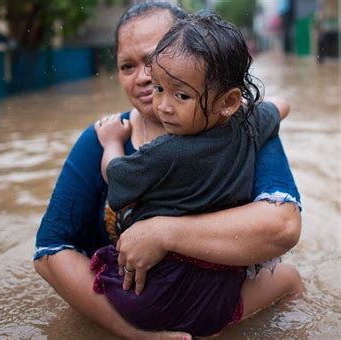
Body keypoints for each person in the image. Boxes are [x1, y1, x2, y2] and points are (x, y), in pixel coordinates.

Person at [34, 2, 302, 339]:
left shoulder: (243, 127)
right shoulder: (99, 138)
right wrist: (134, 334)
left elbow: (282, 226)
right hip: (143, 312)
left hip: (217, 306)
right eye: (127, 65)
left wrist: (162, 233)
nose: (145, 76)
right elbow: (50, 251)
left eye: (156, 57)